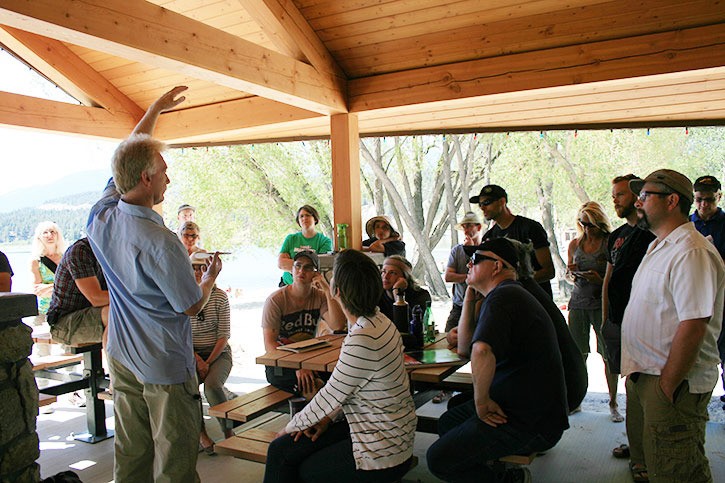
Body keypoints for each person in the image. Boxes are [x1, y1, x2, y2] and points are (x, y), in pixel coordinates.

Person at [87, 86, 223, 482]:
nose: (169, 176)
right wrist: (210, 280)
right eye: (164, 170)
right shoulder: (163, 242)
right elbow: (190, 306)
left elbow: (125, 156)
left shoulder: (102, 217)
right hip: (163, 362)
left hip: (122, 355)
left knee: (131, 451)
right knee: (175, 457)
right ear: (147, 179)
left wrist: (155, 110)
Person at [263, 249, 416, 483]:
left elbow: (330, 394)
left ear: (337, 291)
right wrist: (325, 419)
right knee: (287, 448)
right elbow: (345, 392)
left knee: (288, 456)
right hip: (384, 432)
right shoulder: (380, 321)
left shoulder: (362, 338)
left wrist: (289, 427)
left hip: (380, 450)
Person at [427, 238, 568, 483]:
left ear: (496, 266)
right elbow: (464, 349)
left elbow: (481, 351)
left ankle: (509, 480)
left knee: (438, 459)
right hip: (523, 407)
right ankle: (495, 468)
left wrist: (481, 402)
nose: (468, 265)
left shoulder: (504, 297)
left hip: (529, 420)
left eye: (475, 260)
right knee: (449, 421)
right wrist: (470, 295)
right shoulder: (504, 295)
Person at [623, 169, 724, 482]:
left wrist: (667, 386)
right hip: (647, 375)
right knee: (659, 466)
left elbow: (694, 325)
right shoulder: (661, 245)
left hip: (672, 383)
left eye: (644, 196)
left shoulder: (691, 251)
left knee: (678, 471)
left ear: (671, 201)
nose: (637, 203)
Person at [602, 175, 656, 468]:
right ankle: (637, 447)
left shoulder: (653, 236)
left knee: (646, 389)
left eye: (620, 195)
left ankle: (646, 455)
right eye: (614, 195)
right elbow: (610, 280)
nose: (616, 200)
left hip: (645, 327)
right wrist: (605, 319)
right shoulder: (617, 235)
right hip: (617, 322)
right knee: (631, 387)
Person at [262, 250, 344, 396]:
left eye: (307, 267)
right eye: (297, 266)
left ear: (315, 273)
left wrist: (325, 287)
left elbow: (337, 325)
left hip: (309, 359)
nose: (301, 271)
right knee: (313, 387)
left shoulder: (319, 296)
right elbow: (269, 345)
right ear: (292, 270)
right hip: (279, 363)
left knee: (339, 381)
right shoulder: (276, 300)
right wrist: (297, 366)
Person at [565, 201, 616, 418]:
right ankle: (577, 399)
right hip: (578, 302)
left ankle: (613, 402)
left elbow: (618, 277)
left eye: (591, 225)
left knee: (608, 355)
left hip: (601, 304)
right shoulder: (575, 244)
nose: (587, 229)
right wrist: (572, 273)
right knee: (577, 354)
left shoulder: (609, 243)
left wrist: (600, 279)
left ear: (600, 224)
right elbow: (567, 275)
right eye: (583, 224)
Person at [471, 184, 555, 297]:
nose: (482, 207)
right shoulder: (489, 237)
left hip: (536, 299)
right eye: (480, 204)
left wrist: (514, 282)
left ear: (502, 201)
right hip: (506, 301)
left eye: (487, 202)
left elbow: (548, 271)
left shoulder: (530, 227)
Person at [436, 211, 482, 404]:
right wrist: (470, 278)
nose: (467, 229)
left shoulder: (485, 250)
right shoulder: (457, 250)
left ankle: (479, 387)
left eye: (470, 225)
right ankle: (443, 388)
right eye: (464, 226)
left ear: (478, 227)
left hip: (480, 305)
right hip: (459, 304)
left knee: (478, 345)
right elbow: (448, 276)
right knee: (448, 343)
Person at [190, 255, 233, 453]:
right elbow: (180, 336)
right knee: (188, 389)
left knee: (212, 386)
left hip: (218, 354)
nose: (199, 272)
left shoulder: (220, 296)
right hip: (191, 355)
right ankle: (202, 435)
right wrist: (197, 360)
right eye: (194, 268)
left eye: (202, 268)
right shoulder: (185, 298)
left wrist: (207, 362)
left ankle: (228, 431)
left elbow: (223, 336)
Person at [689, 175, 725, 404]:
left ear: (719, 197)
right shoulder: (686, 224)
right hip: (692, 298)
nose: (704, 205)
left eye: (709, 200)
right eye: (700, 199)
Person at [46, 237, 109, 349]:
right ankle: (116, 365)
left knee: (129, 311)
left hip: (93, 312)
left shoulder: (114, 252)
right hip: (64, 323)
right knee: (116, 314)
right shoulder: (80, 251)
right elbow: (96, 298)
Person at [278, 205, 332, 286]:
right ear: (298, 221)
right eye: (301, 216)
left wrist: (292, 264)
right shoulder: (291, 239)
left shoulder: (324, 241)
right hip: (288, 284)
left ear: (315, 219)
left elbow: (320, 268)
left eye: (307, 215)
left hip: (311, 287)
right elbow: (281, 263)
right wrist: (308, 266)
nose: (304, 218)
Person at [30, 221, 66, 322]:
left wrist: (49, 288)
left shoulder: (66, 258)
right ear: (39, 237)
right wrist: (62, 288)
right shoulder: (36, 261)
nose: (49, 235)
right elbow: (38, 290)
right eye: (45, 232)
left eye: (52, 232)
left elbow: (73, 286)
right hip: (44, 311)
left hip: (66, 310)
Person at [377, 255, 431, 324]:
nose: (386, 277)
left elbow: (409, 324)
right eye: (384, 272)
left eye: (392, 273)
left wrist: (397, 292)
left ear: (405, 277)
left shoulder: (421, 295)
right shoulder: (377, 294)